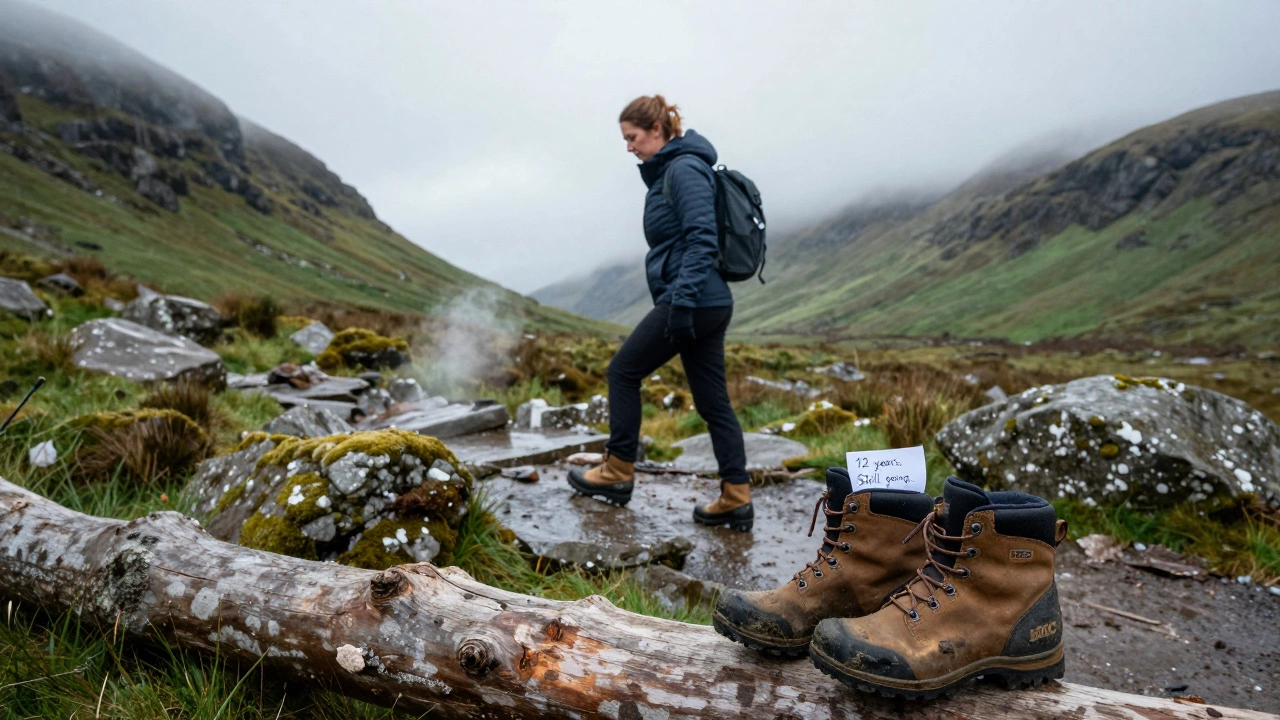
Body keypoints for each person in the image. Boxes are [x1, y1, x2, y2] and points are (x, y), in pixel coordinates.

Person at [568, 95, 753, 532]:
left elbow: (702, 240)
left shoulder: (684, 169)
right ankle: (736, 496)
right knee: (713, 403)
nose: (628, 147)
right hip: (707, 301)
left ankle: (616, 472)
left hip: (694, 299)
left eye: (632, 137)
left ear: (656, 129)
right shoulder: (674, 170)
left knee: (622, 372)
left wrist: (682, 304)